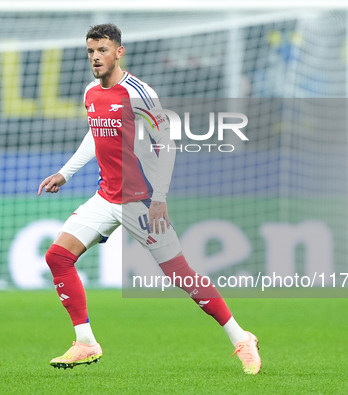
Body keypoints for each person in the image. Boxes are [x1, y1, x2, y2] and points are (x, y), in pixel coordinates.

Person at [38, 23, 261, 375]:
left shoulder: (139, 93)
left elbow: (165, 144)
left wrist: (159, 197)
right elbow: (95, 134)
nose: (96, 57)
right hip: (106, 196)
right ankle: (85, 342)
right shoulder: (91, 93)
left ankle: (241, 337)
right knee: (58, 257)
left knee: (181, 275)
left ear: (119, 52)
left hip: (141, 201)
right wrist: (66, 173)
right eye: (91, 51)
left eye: (102, 50)